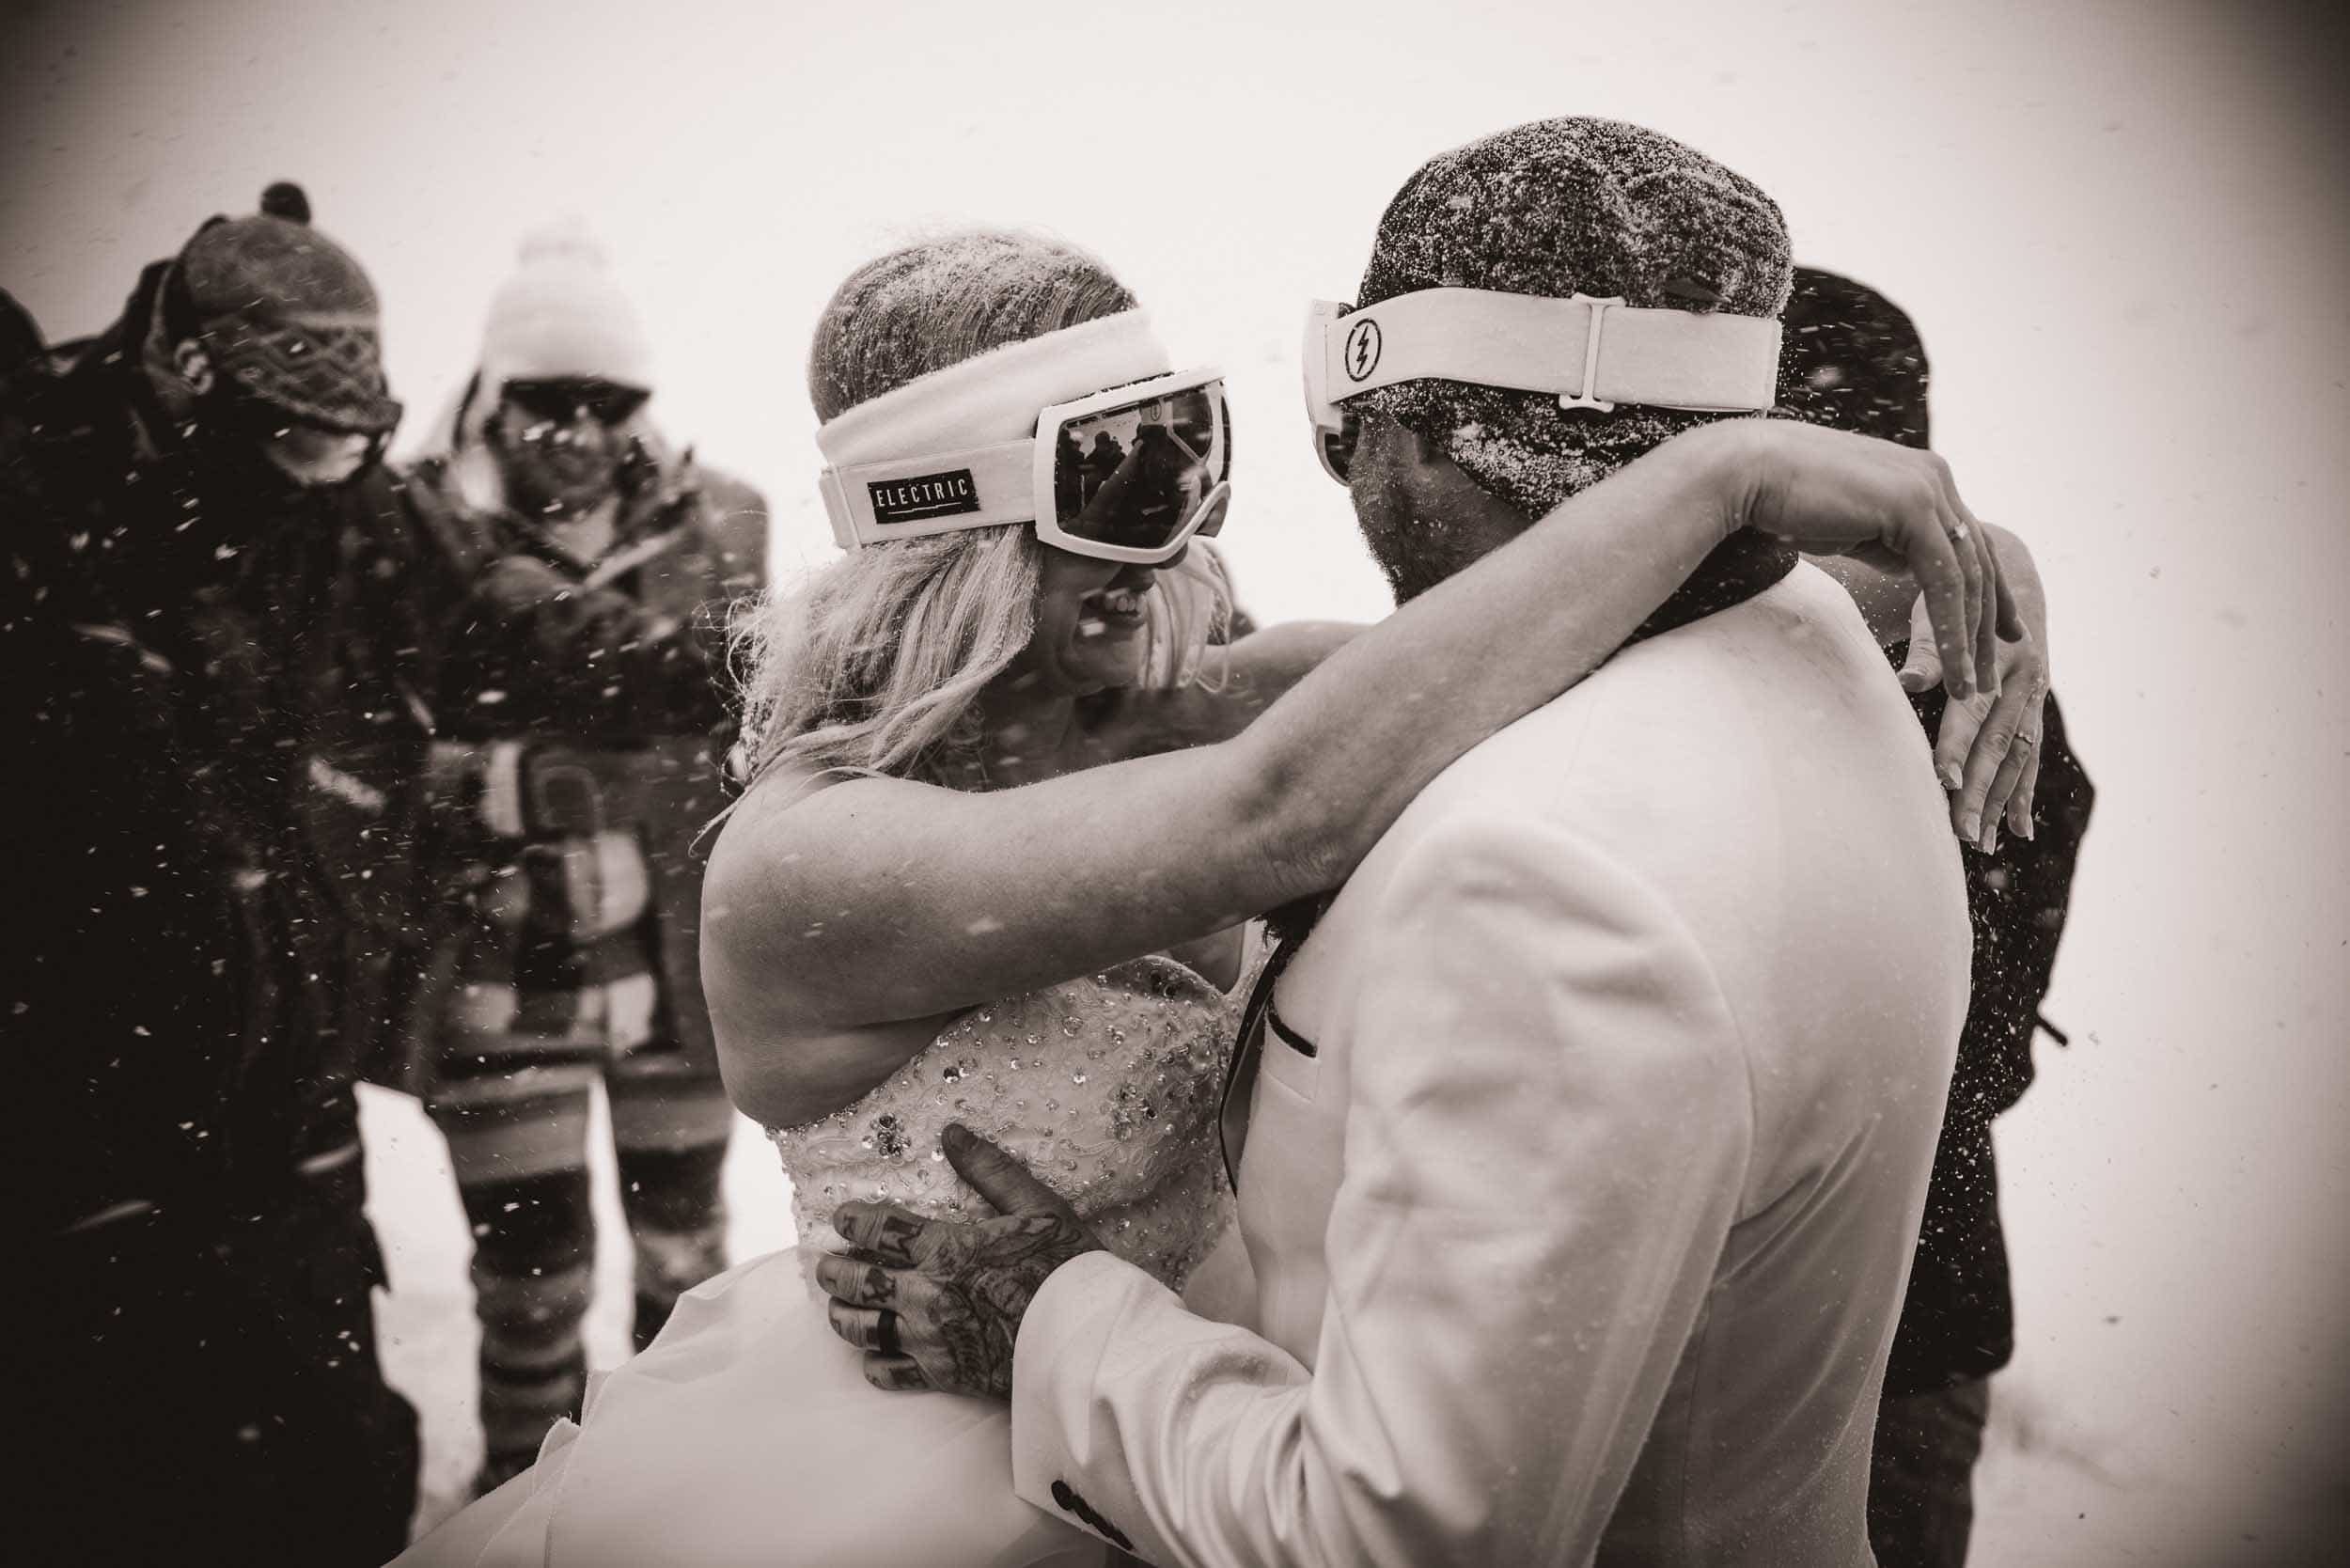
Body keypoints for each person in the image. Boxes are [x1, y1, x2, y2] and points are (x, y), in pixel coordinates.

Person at [399, 210, 2013, 1567]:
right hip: (920, 1467)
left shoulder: (1207, 702)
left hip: (1182, 1432)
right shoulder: (812, 863)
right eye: (1130, 479)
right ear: (951, 523)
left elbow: (1611, 628)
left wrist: (1973, 576)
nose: (1186, 537)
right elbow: (1276, 822)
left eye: (1197, 447)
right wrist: (1715, 475)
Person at [824, 119, 2041, 1565]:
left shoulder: (1541, 873)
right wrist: (1814, 507)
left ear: (1407, 422)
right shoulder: (1818, 657)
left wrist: (1049, 1322)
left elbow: (1394, 1539)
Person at [8, 184, 752, 1565]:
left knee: (330, 1471)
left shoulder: (371, 518)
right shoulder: (41, 503)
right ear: (191, 379)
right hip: (76, 1130)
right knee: (101, 1474)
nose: (331, 473)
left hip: (286, 1105)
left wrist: (789, 663)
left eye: (356, 443)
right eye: (300, 439)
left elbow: (560, 639)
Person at [386, 222, 764, 1493]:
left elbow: (754, 726)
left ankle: (665, 1507)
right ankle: (522, 1514)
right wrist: (525, 783)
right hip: (503, 977)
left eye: (612, 402)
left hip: (677, 967)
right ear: (495, 391)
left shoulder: (726, 521)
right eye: (551, 400)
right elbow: (371, 760)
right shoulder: (412, 527)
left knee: (688, 1273)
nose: (582, 431)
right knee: (531, 1294)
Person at [1779, 263, 2096, 1568]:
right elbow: (1987, 1057)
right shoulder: (1997, 689)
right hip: (1917, 1315)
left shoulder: (1929, 701)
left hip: (1868, 1336)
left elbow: (1938, 1052)